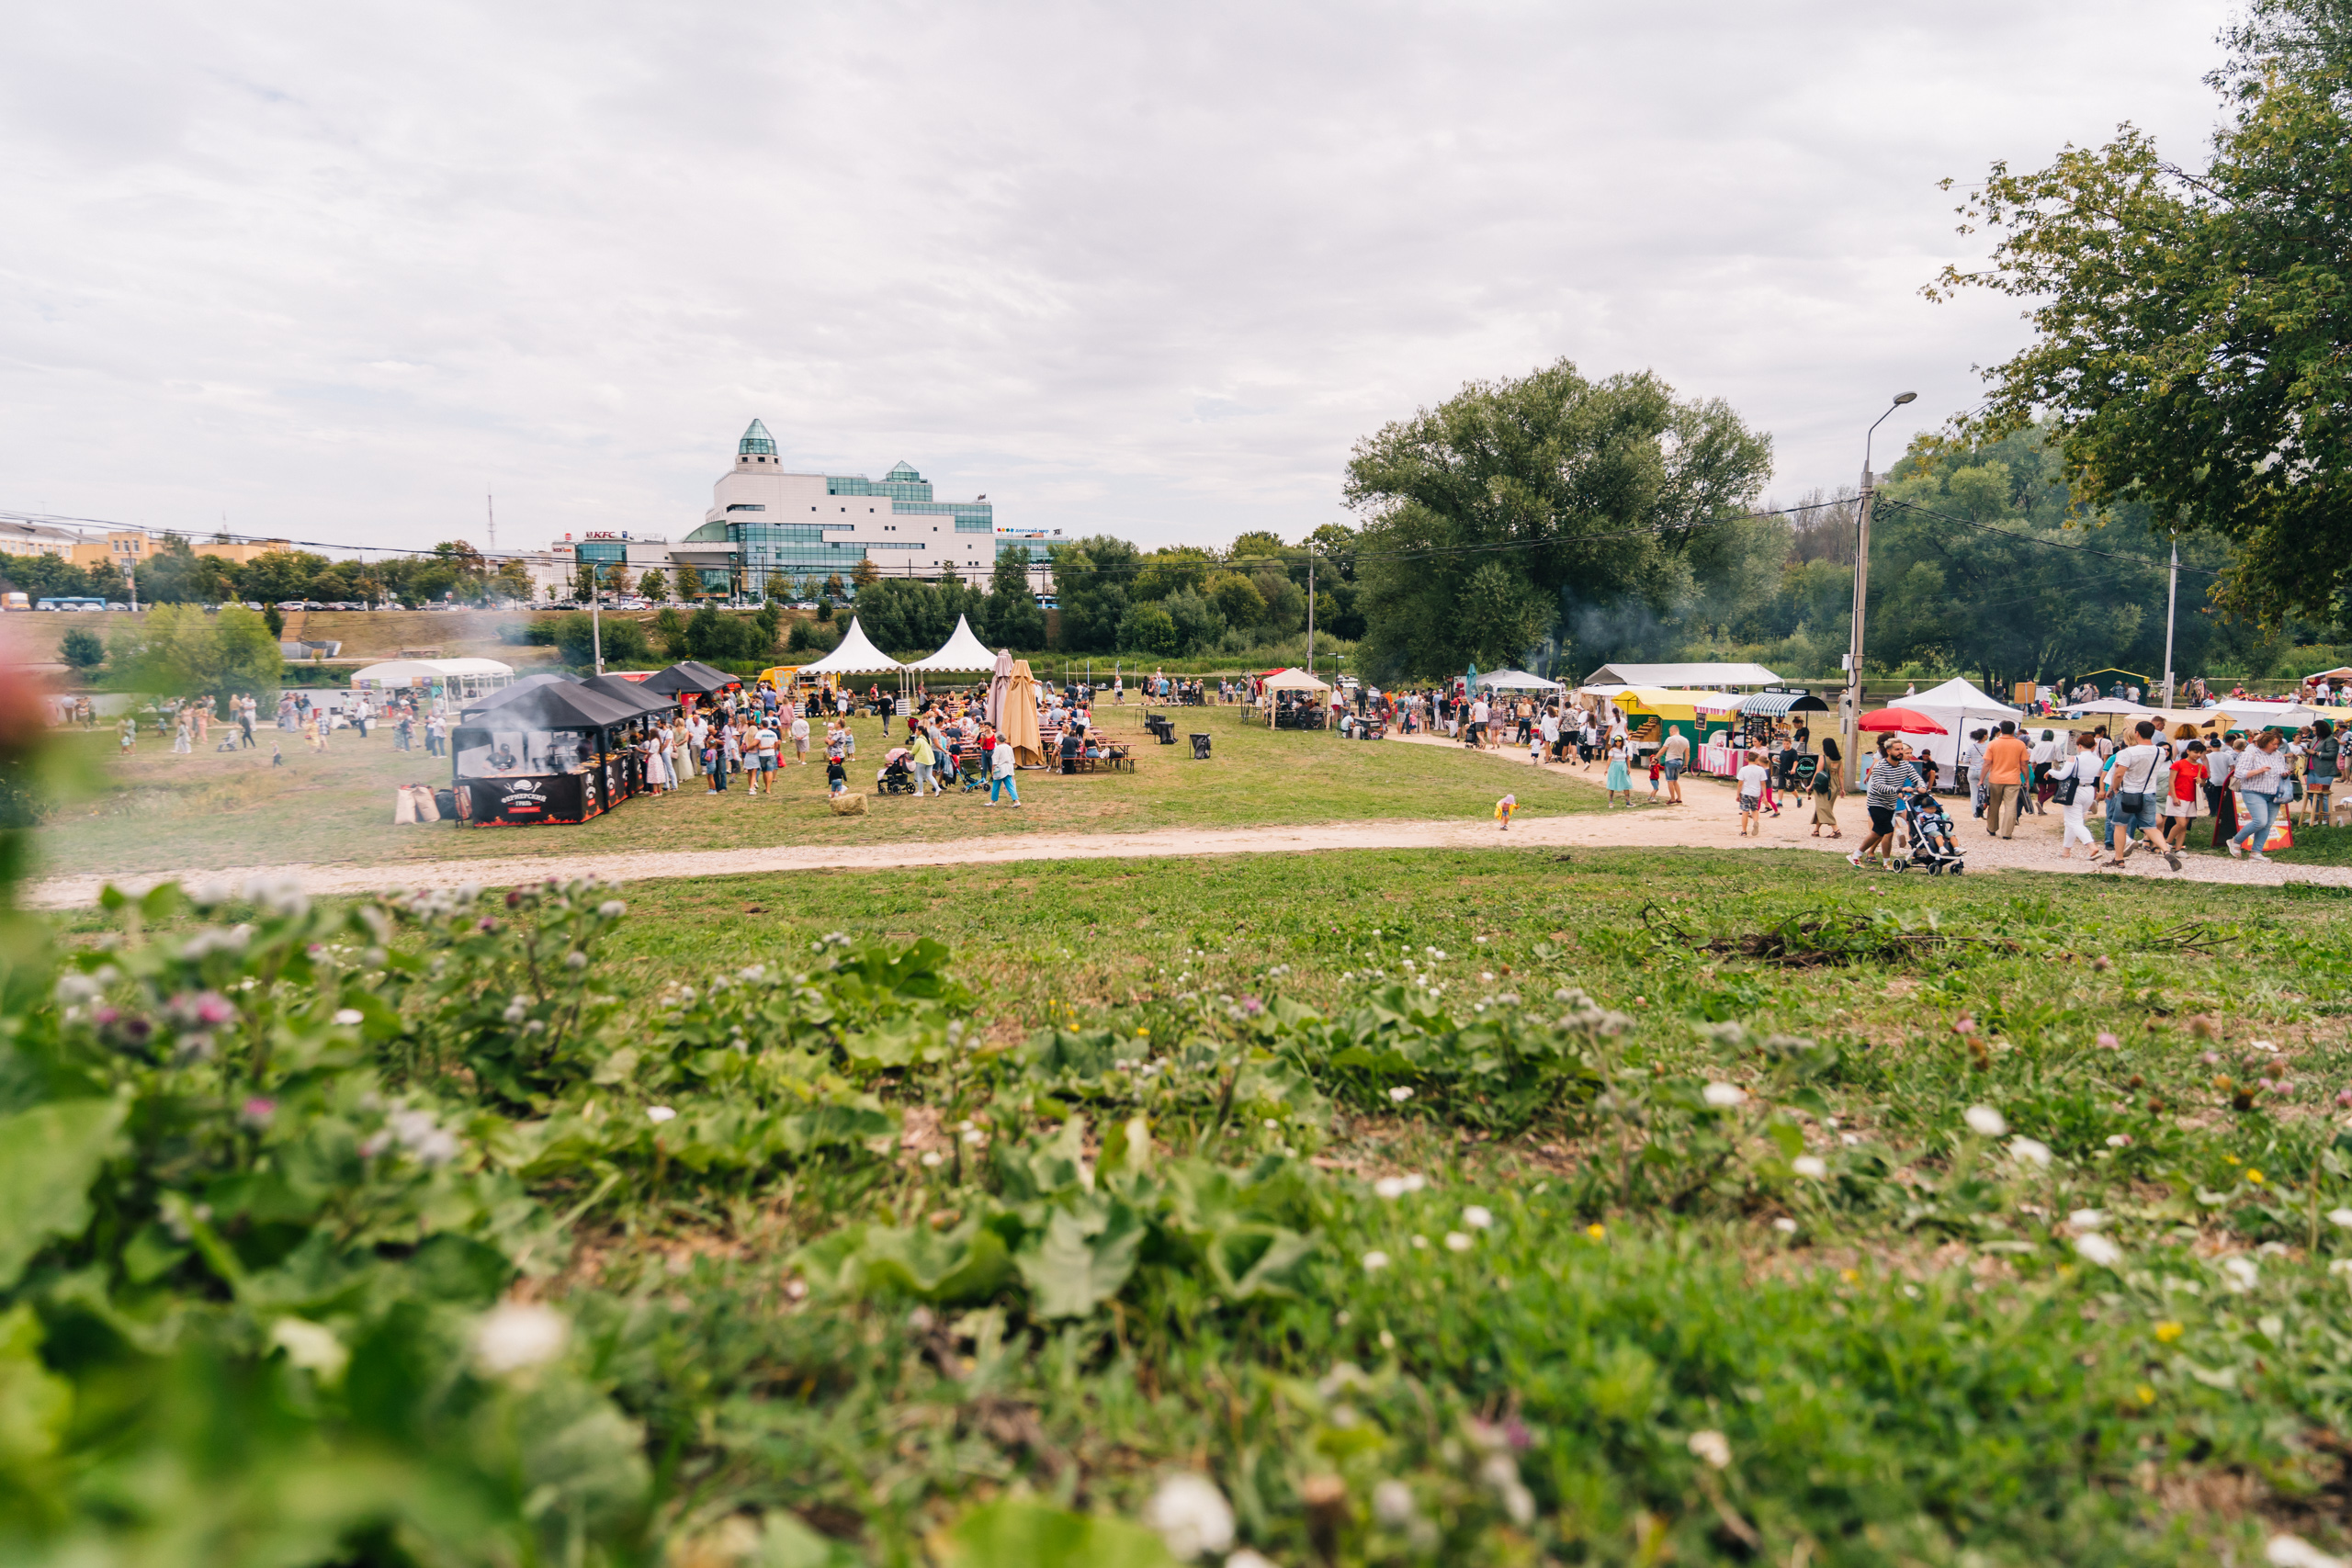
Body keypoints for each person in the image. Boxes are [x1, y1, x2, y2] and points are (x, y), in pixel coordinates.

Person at [2106, 721, 2181, 869]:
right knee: (2150, 827)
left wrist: (2114, 788)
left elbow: (2119, 774)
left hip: (2128, 793)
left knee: (2120, 826)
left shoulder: (2128, 752)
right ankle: (2166, 851)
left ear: (2137, 733)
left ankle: (2119, 859)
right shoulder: (2160, 751)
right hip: (2149, 793)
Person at [1852, 739, 1924, 869]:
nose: (1900, 752)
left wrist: (1921, 786)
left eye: (1901, 749)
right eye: (1897, 749)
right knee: (1886, 831)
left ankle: (1869, 857)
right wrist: (1900, 789)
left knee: (1880, 832)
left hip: (1891, 803)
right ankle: (1868, 857)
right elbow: (1880, 786)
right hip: (1877, 802)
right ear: (1888, 751)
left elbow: (1916, 778)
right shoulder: (1880, 766)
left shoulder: (1906, 766)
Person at [2228, 729, 2289, 862]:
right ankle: (2236, 841)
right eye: (2274, 744)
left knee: (2267, 824)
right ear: (2265, 742)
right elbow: (2239, 773)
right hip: (2254, 791)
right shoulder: (2250, 754)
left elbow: (2282, 769)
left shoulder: (2278, 755)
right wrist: (2259, 771)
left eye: (2278, 744)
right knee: (2260, 821)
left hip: (2274, 793)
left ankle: (2256, 852)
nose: (2276, 747)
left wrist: (2285, 773)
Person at [1981, 720, 2031, 839]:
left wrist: (1981, 779)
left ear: (2001, 730)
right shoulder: (2020, 745)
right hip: (2013, 779)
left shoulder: (1993, 744)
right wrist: (2027, 780)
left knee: (1994, 805)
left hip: (1995, 779)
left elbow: (1987, 763)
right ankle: (2007, 833)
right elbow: (2024, 764)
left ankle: (1992, 828)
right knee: (2011, 806)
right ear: (2014, 731)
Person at [2055, 731, 2102, 859]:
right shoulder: (2098, 760)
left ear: (2080, 746)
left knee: (2075, 822)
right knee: (2072, 821)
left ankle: (2091, 846)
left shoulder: (2075, 759)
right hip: (2089, 790)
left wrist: (2050, 771)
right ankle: (2066, 851)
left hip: (2075, 790)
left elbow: (2062, 775)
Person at [2164, 739, 2208, 851]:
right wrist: (2174, 797)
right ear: (2188, 751)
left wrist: (2201, 781)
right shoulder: (2178, 764)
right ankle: (2168, 842)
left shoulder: (2201, 767)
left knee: (2184, 826)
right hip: (2178, 796)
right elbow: (2171, 781)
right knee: (2181, 823)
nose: (2198, 755)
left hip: (2192, 798)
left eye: (2200, 753)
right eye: (2196, 752)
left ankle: (2178, 849)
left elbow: (2204, 783)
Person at [1810, 738, 1842, 838]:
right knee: (1823, 807)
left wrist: (1810, 785)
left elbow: (1818, 773)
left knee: (1823, 807)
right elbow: (1840, 776)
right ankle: (1816, 830)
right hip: (1834, 786)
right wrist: (1842, 789)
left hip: (1823, 786)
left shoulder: (1823, 758)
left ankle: (1836, 829)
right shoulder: (1839, 760)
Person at [1735, 750, 1769, 837]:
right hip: (1756, 793)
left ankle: (1744, 831)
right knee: (1754, 810)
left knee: (1745, 811)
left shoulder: (1743, 769)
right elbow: (1763, 783)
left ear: (1748, 759)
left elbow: (1740, 783)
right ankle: (1755, 821)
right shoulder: (1760, 770)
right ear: (1756, 759)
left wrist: (1738, 794)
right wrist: (1764, 795)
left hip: (1745, 792)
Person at [987, 725, 1020, 807]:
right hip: (1008, 767)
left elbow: (995, 760)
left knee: (996, 785)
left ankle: (992, 801)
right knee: (1010, 785)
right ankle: (1016, 801)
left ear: (998, 740)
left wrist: (992, 769)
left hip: (1000, 768)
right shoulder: (1009, 747)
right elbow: (1012, 759)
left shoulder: (998, 748)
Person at [1659, 728, 1690, 804]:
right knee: (1675, 780)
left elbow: (1662, 751)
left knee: (1670, 780)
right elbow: (1687, 754)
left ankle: (1672, 799)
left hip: (1670, 760)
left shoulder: (1670, 739)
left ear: (1672, 731)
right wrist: (1686, 764)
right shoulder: (1685, 740)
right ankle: (1679, 798)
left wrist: (1656, 758)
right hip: (1679, 761)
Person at [1604, 735, 1634, 806]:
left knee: (1626, 783)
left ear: (1622, 741)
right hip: (1614, 767)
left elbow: (1627, 759)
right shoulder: (1612, 750)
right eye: (1616, 741)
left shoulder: (1625, 749)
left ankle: (1628, 801)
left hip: (1623, 766)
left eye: (1619, 741)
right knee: (1612, 783)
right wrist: (1606, 768)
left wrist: (1629, 768)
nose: (1618, 742)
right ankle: (1610, 801)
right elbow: (1609, 759)